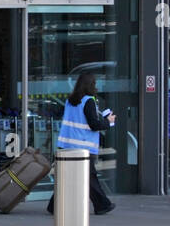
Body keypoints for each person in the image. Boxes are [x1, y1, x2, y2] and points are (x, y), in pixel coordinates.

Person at [46, 72, 117, 215]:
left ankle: (53, 206)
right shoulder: (88, 101)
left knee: (66, 178)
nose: (96, 86)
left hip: (66, 145)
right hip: (82, 147)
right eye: (94, 83)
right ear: (90, 85)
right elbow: (94, 124)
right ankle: (102, 205)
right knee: (90, 177)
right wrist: (108, 122)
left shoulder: (70, 101)